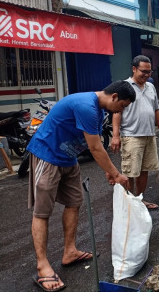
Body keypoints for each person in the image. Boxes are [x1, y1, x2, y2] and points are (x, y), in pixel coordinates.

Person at [27, 81, 135, 292]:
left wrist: (107, 168)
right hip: (47, 155)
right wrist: (116, 174)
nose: (121, 111)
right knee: (42, 212)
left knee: (74, 203)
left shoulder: (99, 109)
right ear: (114, 97)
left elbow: (94, 144)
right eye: (122, 106)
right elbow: (95, 147)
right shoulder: (86, 105)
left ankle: (70, 251)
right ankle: (42, 265)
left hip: (68, 159)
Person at [111, 55, 159, 210]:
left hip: (149, 134)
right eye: (143, 71)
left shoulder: (151, 87)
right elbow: (117, 112)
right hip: (131, 135)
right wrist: (115, 136)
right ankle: (128, 203)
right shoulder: (124, 86)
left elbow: (156, 109)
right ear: (134, 69)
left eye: (149, 72)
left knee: (144, 170)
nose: (147, 75)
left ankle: (139, 200)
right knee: (130, 171)